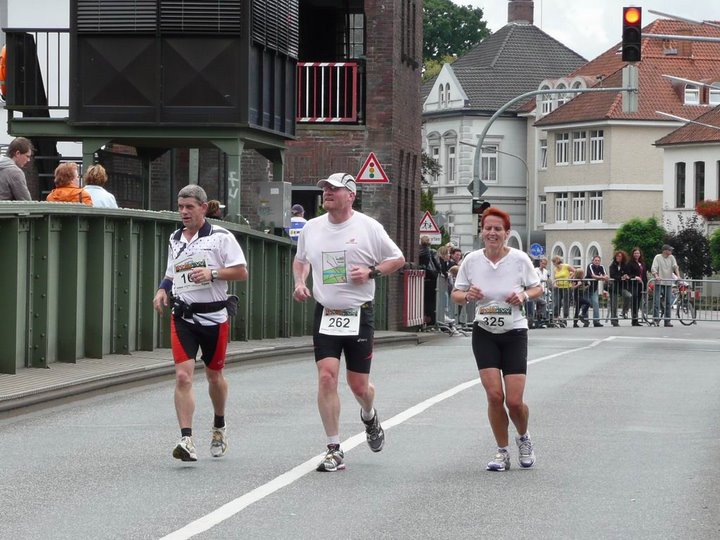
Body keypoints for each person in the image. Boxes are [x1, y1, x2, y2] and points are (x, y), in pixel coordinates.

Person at [292, 172, 405, 472]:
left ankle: (369, 415)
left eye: (334, 189)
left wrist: (371, 273)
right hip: (326, 312)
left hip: (358, 313)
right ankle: (333, 447)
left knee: (359, 386)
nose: (327, 193)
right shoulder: (312, 228)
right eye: (325, 189)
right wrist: (300, 282)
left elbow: (397, 259)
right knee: (327, 376)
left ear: (351, 195)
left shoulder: (369, 227)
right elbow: (301, 259)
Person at [152, 185, 248, 462]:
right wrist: (161, 290)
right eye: (180, 207)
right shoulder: (175, 238)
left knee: (214, 376)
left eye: (189, 207)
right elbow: (171, 272)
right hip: (183, 316)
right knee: (183, 376)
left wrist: (213, 273)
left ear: (203, 208)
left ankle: (219, 424)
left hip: (215, 318)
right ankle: (186, 439)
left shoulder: (221, 238)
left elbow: (242, 272)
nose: (183, 212)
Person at [450, 207, 542, 471]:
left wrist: (523, 296)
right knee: (494, 395)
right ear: (482, 232)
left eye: (497, 229)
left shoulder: (520, 259)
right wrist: (468, 296)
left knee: (514, 401)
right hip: (484, 333)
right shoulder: (471, 261)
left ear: (507, 233)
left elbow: (537, 287)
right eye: (488, 228)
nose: (492, 233)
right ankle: (502, 451)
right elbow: (457, 292)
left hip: (514, 333)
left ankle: (523, 438)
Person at [651, 244, 680, 327]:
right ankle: (656, 320)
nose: (671, 251)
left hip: (668, 282)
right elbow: (654, 268)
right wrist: (656, 276)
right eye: (669, 250)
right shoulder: (658, 257)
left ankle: (667, 321)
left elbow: (675, 267)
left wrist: (678, 276)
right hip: (659, 282)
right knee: (656, 301)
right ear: (665, 251)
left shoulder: (671, 257)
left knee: (668, 302)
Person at [0, 136, 33, 201]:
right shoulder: (15, 172)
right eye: (27, 156)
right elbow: (26, 202)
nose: (28, 160)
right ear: (17, 153)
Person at [419, 235, 441, 325]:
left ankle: (424, 318)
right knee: (431, 300)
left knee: (424, 299)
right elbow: (437, 264)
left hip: (422, 277)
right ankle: (431, 320)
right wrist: (439, 272)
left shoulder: (419, 251)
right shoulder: (431, 252)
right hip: (431, 277)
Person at [626, 247, 648, 326]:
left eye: (638, 253)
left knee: (638, 302)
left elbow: (644, 275)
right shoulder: (630, 263)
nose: (636, 255)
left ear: (640, 254)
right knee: (634, 301)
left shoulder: (642, 263)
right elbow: (628, 274)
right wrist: (635, 277)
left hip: (641, 285)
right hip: (633, 285)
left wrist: (646, 285)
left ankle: (636, 320)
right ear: (632, 254)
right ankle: (634, 319)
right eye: (635, 253)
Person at [585, 255, 608, 327]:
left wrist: (604, 277)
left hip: (594, 288)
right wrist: (601, 277)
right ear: (593, 261)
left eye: (598, 260)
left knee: (596, 303)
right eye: (595, 260)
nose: (597, 262)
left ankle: (596, 321)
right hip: (586, 288)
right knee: (586, 304)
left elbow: (606, 276)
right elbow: (593, 275)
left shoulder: (601, 267)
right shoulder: (590, 266)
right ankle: (585, 321)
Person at [608, 250, 629, 327]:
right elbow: (613, 275)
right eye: (617, 256)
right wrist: (621, 277)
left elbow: (627, 273)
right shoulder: (612, 265)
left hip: (621, 287)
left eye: (620, 256)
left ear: (622, 257)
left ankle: (624, 312)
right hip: (613, 287)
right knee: (614, 304)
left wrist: (627, 276)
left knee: (628, 296)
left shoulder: (625, 265)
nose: (618, 257)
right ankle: (614, 320)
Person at [550, 256, 573, 323]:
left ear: (557, 261)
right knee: (557, 302)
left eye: (554, 262)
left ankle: (565, 317)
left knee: (566, 303)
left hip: (566, 287)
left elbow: (575, 271)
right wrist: (555, 284)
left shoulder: (566, 266)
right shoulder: (555, 269)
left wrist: (570, 277)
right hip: (558, 287)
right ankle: (556, 317)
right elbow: (555, 278)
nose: (553, 264)